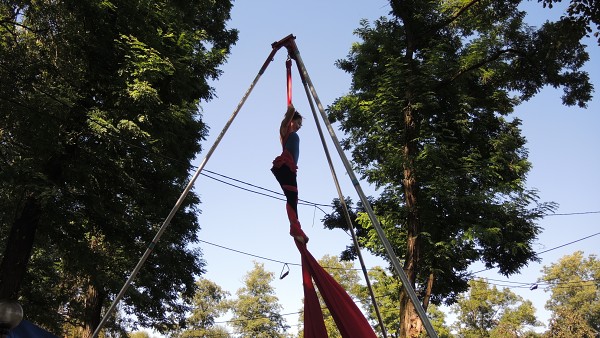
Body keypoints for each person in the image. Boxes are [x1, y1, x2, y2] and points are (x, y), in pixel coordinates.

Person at [271, 103, 309, 244]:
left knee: (293, 198)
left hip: (290, 168)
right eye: (298, 123)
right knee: (292, 197)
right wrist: (290, 105)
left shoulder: (292, 133)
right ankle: (295, 229)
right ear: (291, 120)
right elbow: (291, 110)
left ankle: (296, 228)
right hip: (284, 165)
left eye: (301, 125)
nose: (299, 127)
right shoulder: (285, 131)